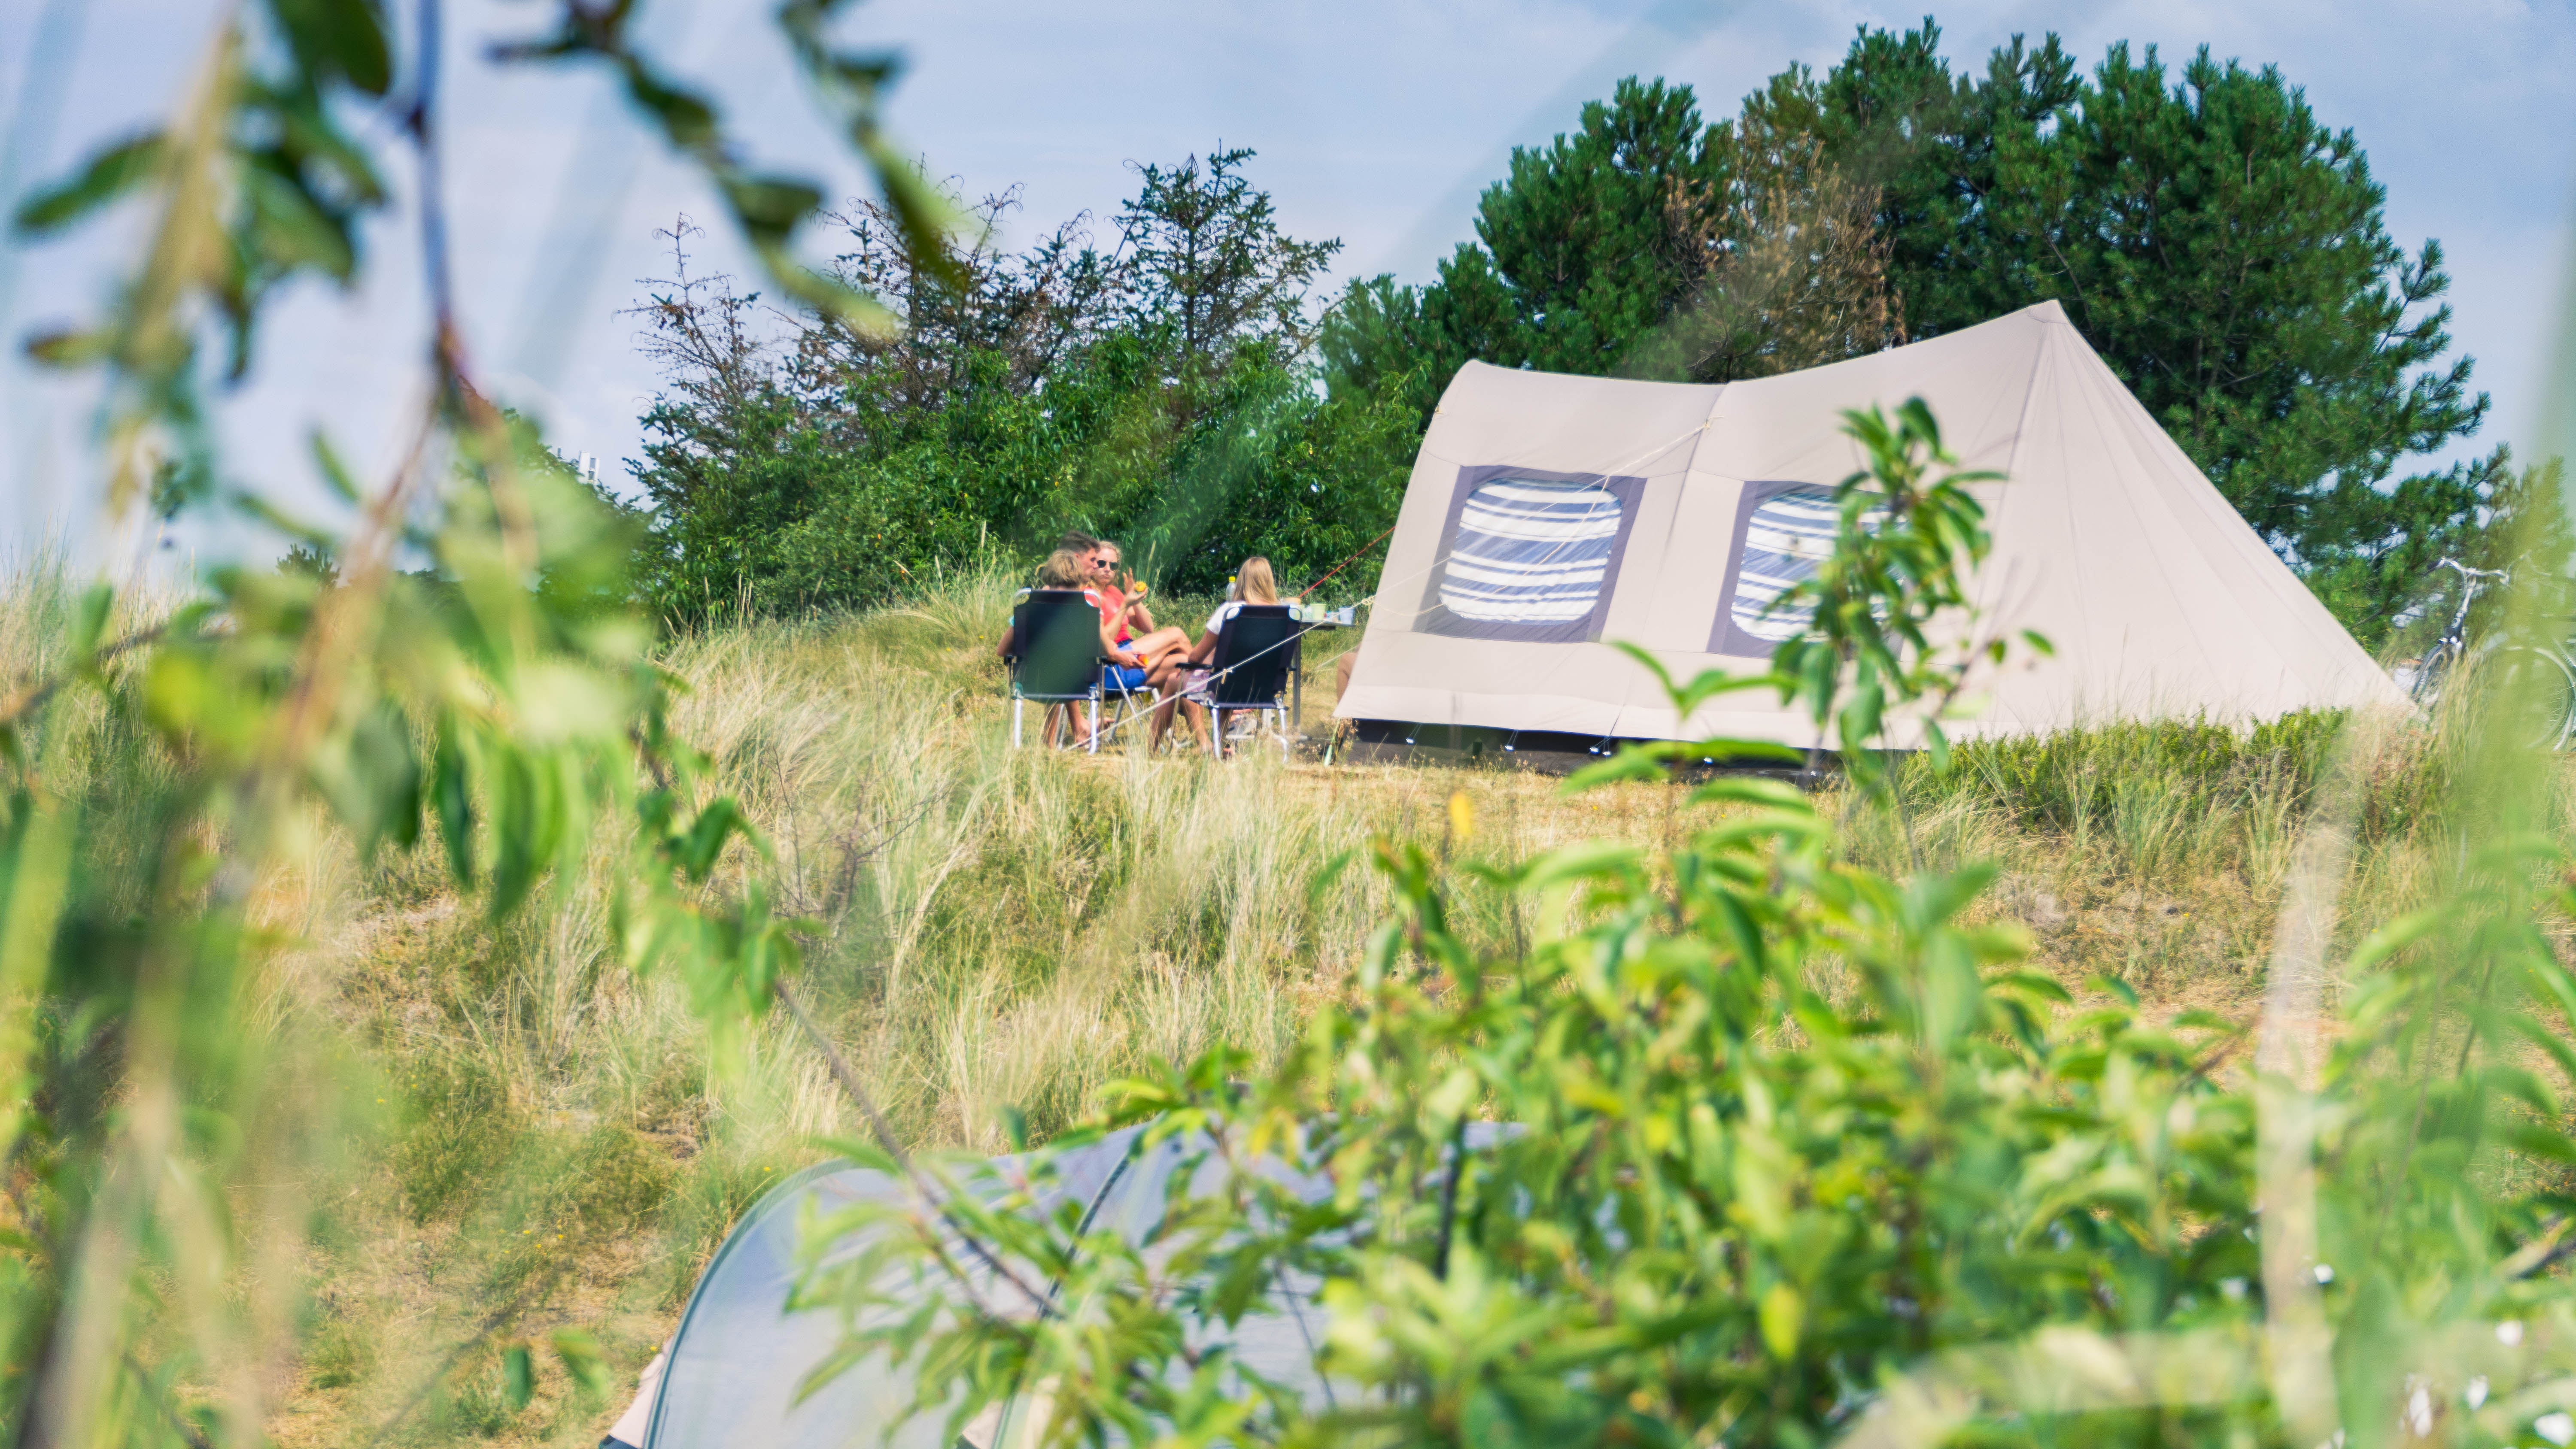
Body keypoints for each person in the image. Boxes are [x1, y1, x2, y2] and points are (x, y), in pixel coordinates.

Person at [1147, 556, 1281, 752]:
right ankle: (1218, 744)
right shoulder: (1282, 614)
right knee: (1213, 680)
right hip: (1264, 688)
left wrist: (1189, 667)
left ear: (1241, 582)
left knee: (1177, 680)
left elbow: (1195, 657)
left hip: (1226, 684)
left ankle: (1159, 748)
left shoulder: (1230, 611)